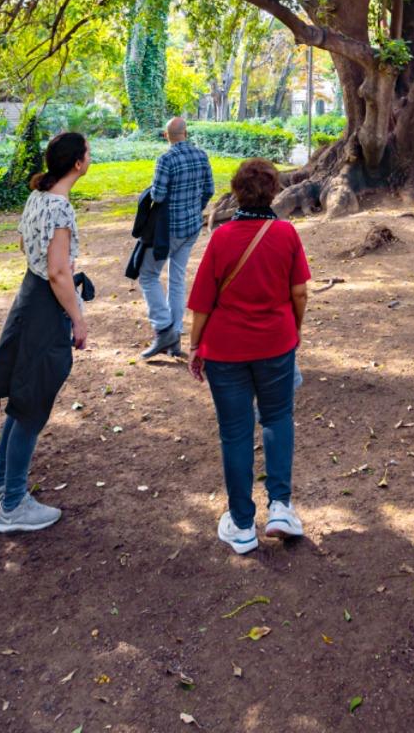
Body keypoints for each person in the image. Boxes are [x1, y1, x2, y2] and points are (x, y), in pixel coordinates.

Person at [187, 158, 311, 554]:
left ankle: (241, 524)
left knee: (235, 432)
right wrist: (296, 328)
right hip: (276, 344)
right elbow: (300, 293)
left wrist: (194, 345)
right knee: (278, 419)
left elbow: (203, 302)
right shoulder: (286, 234)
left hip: (225, 350)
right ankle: (280, 507)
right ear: (274, 191)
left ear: (236, 191)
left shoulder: (221, 238)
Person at [0, 132, 92, 534]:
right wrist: (77, 318)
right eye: (88, 152)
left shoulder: (37, 196)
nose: (89, 157)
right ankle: (12, 505)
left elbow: (26, 245)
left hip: (28, 300)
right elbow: (59, 272)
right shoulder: (59, 207)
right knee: (31, 404)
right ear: (78, 163)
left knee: (22, 400)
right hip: (44, 307)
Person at [139, 115, 214, 360]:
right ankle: (175, 336)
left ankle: (164, 328)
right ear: (186, 132)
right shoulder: (201, 155)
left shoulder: (166, 159)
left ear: (166, 136)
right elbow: (209, 190)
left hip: (168, 230)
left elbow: (158, 196)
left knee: (148, 275)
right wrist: (196, 208)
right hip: (191, 227)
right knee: (177, 279)